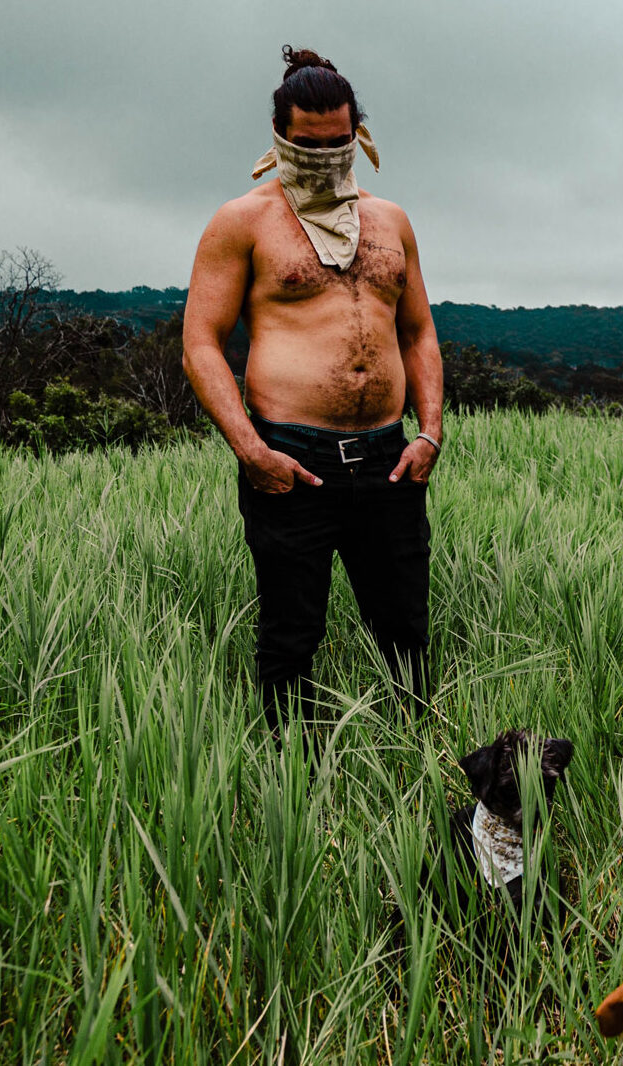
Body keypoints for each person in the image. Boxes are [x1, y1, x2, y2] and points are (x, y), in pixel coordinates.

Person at [183, 46, 442, 736]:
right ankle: (290, 785)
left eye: (339, 143)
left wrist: (430, 433)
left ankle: (414, 754)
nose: (325, 157)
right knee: (291, 634)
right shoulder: (243, 221)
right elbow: (201, 342)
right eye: (307, 145)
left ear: (358, 131)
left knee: (407, 628)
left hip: (389, 456)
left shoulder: (391, 221)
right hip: (290, 459)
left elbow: (419, 332)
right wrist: (250, 450)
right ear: (277, 133)